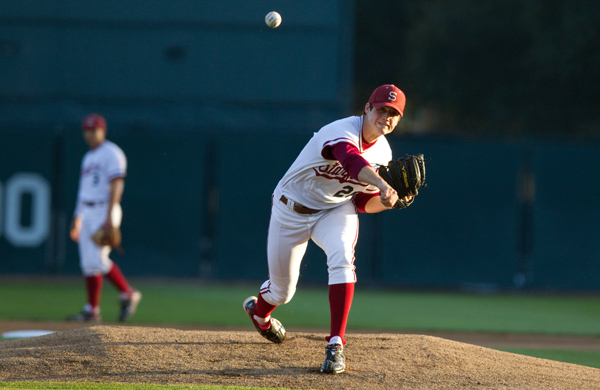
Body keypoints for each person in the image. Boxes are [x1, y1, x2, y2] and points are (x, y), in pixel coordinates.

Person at [243, 84, 415, 374]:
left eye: (393, 113)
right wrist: (384, 184)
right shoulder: (342, 130)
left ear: (398, 120)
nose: (386, 117)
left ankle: (336, 344)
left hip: (335, 209)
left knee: (343, 260)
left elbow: (361, 201)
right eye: (381, 109)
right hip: (291, 209)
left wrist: (390, 202)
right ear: (367, 108)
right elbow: (349, 160)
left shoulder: (383, 153)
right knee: (282, 293)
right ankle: (259, 314)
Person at [67, 113, 142, 322]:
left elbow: (116, 185)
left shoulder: (112, 152)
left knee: (98, 260)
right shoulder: (88, 156)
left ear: (103, 131)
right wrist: (77, 217)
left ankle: (128, 293)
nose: (90, 134)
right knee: (87, 264)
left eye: (94, 130)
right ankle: (92, 310)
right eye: (87, 131)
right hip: (88, 210)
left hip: (105, 210)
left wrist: (109, 217)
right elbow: (83, 190)